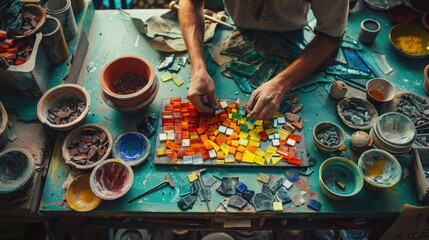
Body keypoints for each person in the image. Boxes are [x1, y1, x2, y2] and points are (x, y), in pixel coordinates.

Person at [178, 0, 349, 119]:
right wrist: (198, 68)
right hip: (239, 25)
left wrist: (282, 83)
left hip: (292, 31)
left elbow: (331, 34)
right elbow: (191, 3)